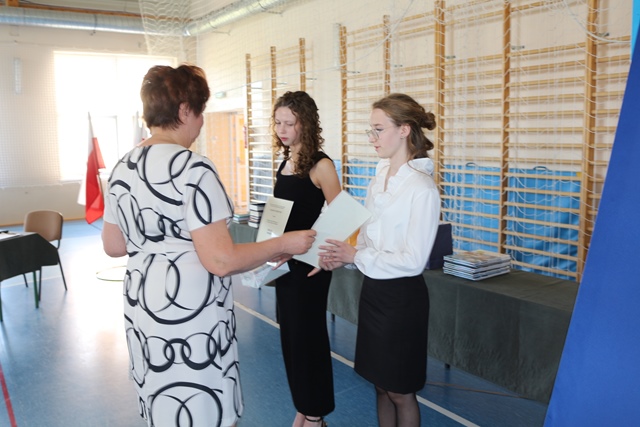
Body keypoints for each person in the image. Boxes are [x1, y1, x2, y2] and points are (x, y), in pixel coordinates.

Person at [101, 65, 316, 427]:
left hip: (144, 304)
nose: (201, 123)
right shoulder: (193, 168)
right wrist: (285, 242)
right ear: (185, 110)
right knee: (202, 403)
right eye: (200, 112)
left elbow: (113, 245)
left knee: (163, 402)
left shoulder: (123, 167)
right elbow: (221, 260)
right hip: (190, 310)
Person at [318, 93, 441, 427]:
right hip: (373, 293)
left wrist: (356, 255)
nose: (372, 138)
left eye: (378, 129)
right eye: (370, 130)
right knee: (380, 386)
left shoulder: (422, 188)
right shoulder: (379, 179)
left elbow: (414, 260)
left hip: (402, 300)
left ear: (404, 130)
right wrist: (343, 257)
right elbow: (367, 239)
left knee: (400, 391)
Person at [271, 91, 342, 427]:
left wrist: (319, 256)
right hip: (285, 264)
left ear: (306, 124)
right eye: (278, 122)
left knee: (308, 340)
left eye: (289, 123)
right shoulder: (284, 163)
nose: (282, 129)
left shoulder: (321, 165)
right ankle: (303, 406)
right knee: (291, 341)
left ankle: (314, 415)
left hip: (309, 267)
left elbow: (342, 216)